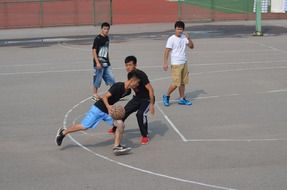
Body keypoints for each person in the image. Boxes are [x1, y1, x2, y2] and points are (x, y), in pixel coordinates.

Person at [55, 70, 141, 155]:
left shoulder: (128, 92)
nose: (137, 85)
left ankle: (117, 146)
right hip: (98, 109)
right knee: (84, 126)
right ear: (132, 81)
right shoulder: (118, 86)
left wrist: (116, 110)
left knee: (120, 124)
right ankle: (63, 132)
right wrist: (108, 107)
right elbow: (104, 97)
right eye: (137, 82)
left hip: (108, 112)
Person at [108, 56, 155, 145]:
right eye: (126, 65)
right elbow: (130, 87)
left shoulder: (141, 75)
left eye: (130, 65)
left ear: (135, 65)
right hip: (137, 98)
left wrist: (152, 104)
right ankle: (115, 128)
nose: (128, 67)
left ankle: (144, 136)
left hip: (147, 99)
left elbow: (151, 89)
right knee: (123, 112)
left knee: (140, 114)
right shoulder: (129, 75)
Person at [162, 20, 194, 106]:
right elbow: (167, 51)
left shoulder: (184, 37)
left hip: (184, 62)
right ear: (175, 29)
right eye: (178, 28)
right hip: (176, 64)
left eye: (181, 29)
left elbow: (191, 47)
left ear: (183, 29)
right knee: (176, 83)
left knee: (183, 82)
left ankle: (182, 98)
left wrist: (189, 38)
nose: (179, 30)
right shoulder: (171, 39)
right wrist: (165, 63)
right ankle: (166, 96)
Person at [92, 22, 115, 101]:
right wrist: (97, 62)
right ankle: (94, 94)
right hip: (99, 64)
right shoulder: (97, 39)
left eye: (107, 29)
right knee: (97, 79)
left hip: (106, 63)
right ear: (101, 29)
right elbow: (94, 51)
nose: (106, 31)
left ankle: (112, 94)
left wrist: (108, 60)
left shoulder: (107, 38)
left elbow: (106, 50)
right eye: (104, 29)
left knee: (111, 79)